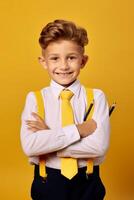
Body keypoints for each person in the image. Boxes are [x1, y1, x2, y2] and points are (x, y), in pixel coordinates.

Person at [20, 19, 110, 200]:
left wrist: (49, 137)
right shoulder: (35, 99)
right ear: (43, 62)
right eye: (54, 58)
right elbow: (30, 147)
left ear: (83, 61)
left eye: (71, 57)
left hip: (88, 183)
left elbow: (99, 147)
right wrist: (79, 130)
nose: (63, 66)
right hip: (47, 184)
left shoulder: (97, 97)